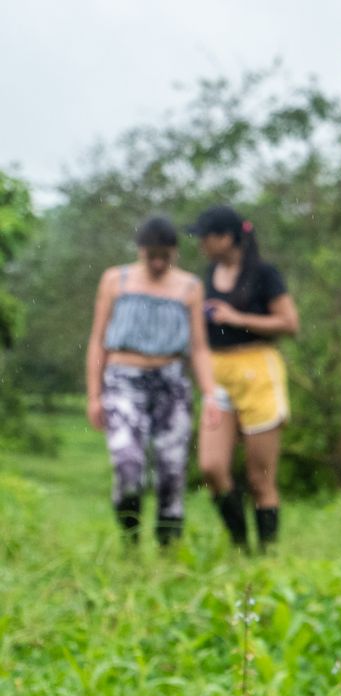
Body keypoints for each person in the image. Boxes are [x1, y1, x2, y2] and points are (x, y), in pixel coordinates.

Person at [85, 215, 221, 546]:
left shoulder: (189, 287)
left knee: (171, 470)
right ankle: (130, 535)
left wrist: (211, 394)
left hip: (171, 383)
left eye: (165, 256)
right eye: (152, 255)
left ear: (175, 253)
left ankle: (167, 546)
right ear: (141, 251)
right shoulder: (116, 280)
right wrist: (94, 395)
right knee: (128, 462)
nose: (158, 263)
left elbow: (199, 348)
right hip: (122, 379)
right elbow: (97, 340)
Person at [189, 205, 299, 552]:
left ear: (226, 238)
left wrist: (237, 318)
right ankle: (240, 543)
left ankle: (265, 553)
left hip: (258, 371)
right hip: (218, 375)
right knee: (211, 467)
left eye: (205, 237)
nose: (200, 245)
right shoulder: (207, 276)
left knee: (259, 477)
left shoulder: (264, 274)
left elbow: (289, 324)